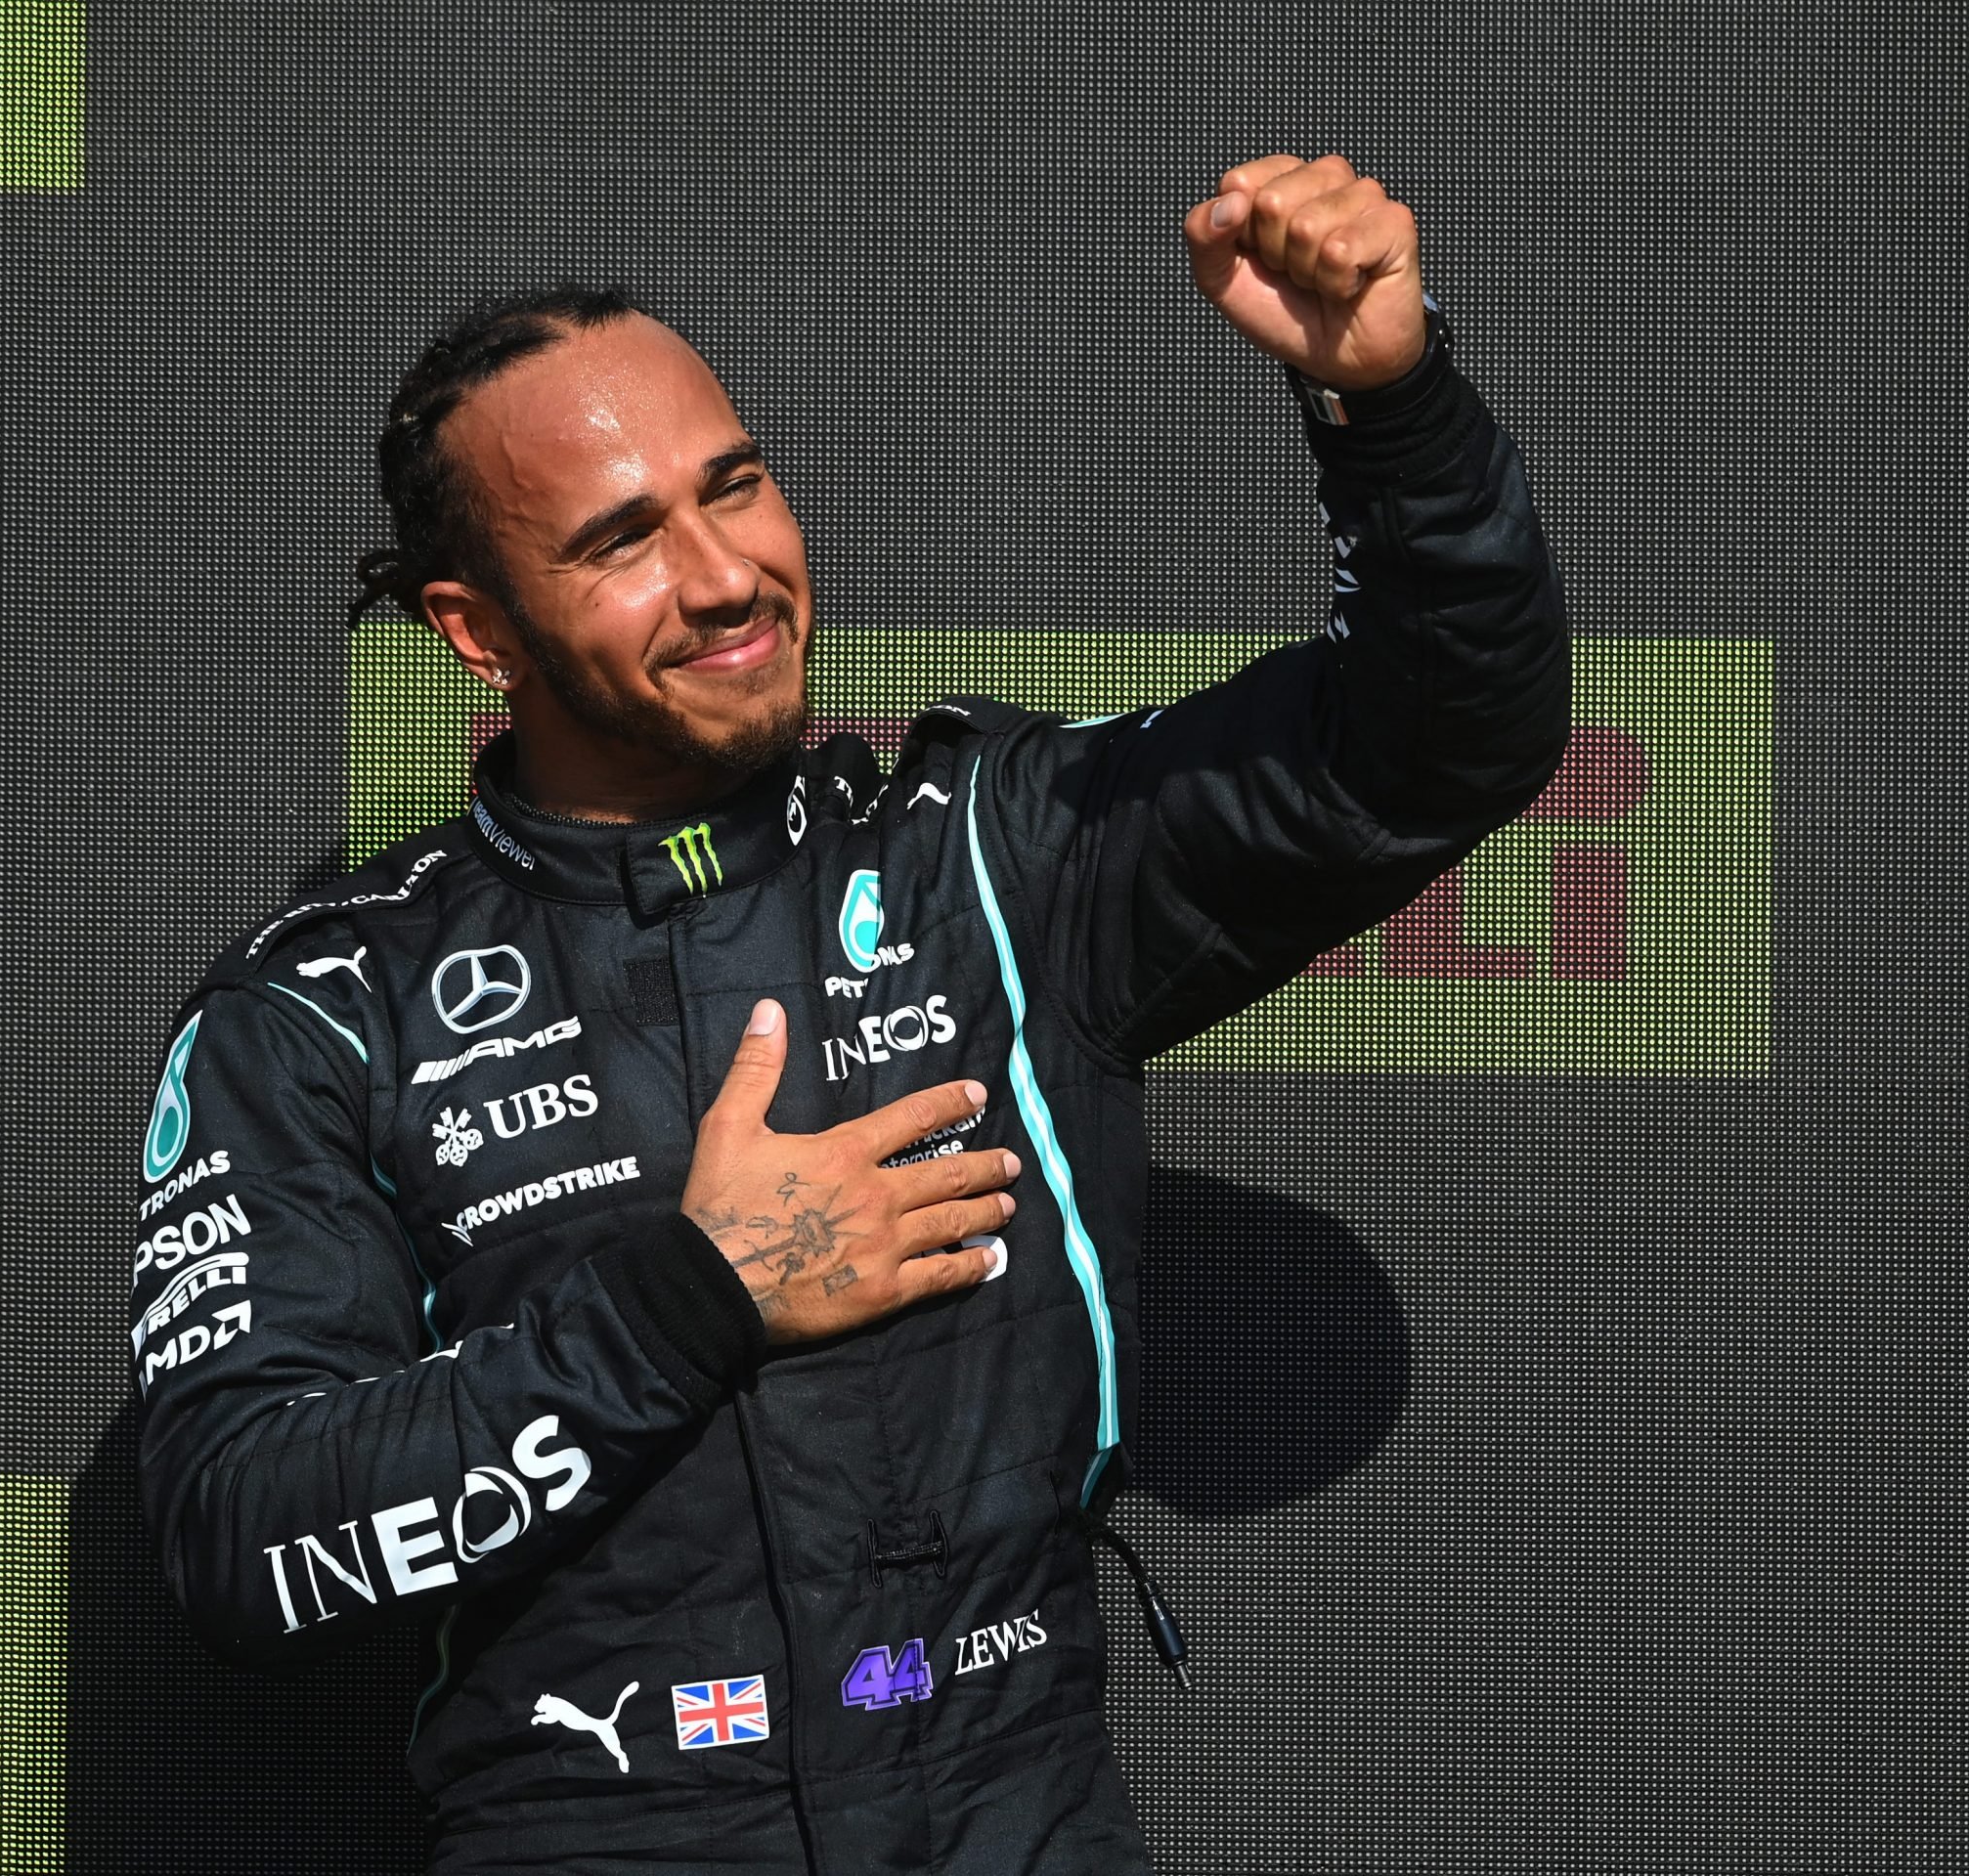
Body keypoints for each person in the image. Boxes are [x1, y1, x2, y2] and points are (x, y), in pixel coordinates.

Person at [132, 152, 1570, 1874]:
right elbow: (237, 1542)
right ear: (475, 630)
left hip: (1016, 1822)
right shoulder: (323, 1009)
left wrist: (1390, 411)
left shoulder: (999, 862)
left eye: (734, 487)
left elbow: (1434, 745)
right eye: (621, 542)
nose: (727, 575)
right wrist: (688, 1300)